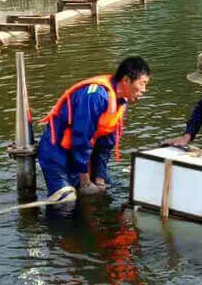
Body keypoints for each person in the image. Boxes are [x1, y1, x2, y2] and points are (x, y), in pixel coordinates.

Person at [37, 56, 151, 205]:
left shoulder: (121, 101)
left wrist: (99, 178)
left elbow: (106, 143)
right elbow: (81, 136)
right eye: (142, 83)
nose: (144, 90)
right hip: (57, 150)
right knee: (65, 202)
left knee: (104, 189)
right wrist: (85, 181)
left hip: (79, 152)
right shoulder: (97, 96)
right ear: (126, 80)